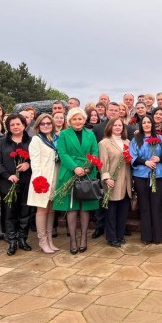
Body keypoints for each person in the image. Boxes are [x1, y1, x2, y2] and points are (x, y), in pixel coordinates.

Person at [53, 107, 100, 254]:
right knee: (72, 208)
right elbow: (62, 153)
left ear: (84, 120)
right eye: (74, 119)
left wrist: (87, 167)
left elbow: (95, 152)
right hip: (69, 172)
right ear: (70, 121)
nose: (78, 121)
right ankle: (73, 240)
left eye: (80, 119)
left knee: (85, 207)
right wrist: (75, 168)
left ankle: (84, 238)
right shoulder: (64, 134)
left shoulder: (90, 134)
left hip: (87, 173)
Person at [0, 114, 32, 256]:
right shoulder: (2, 143)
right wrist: (8, 175)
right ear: (8, 127)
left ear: (24, 125)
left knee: (25, 212)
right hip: (8, 183)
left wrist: (28, 164)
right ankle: (12, 240)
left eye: (18, 124)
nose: (15, 127)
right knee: (9, 213)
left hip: (26, 182)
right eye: (12, 125)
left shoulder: (31, 141)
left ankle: (22, 238)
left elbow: (38, 159)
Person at [129, 115, 162, 244]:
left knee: (156, 205)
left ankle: (158, 236)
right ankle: (146, 236)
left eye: (148, 122)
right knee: (144, 206)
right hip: (141, 175)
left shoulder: (160, 139)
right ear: (141, 125)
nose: (146, 124)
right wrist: (145, 162)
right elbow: (132, 157)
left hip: (158, 175)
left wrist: (159, 159)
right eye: (144, 122)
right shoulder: (135, 140)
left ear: (152, 124)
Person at [27, 114, 60, 254]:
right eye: (43, 124)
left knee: (51, 209)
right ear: (38, 126)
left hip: (55, 178)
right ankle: (42, 241)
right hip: (42, 180)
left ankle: (49, 239)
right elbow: (35, 162)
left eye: (48, 123)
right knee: (42, 209)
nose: (46, 125)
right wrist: (39, 180)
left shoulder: (55, 140)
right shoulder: (36, 140)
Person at [99, 118, 133, 247]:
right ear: (110, 127)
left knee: (123, 211)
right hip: (112, 181)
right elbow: (103, 162)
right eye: (115, 125)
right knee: (111, 212)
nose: (118, 127)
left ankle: (120, 235)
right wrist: (106, 178)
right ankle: (111, 237)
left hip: (126, 181)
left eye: (120, 125)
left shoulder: (128, 142)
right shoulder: (104, 143)